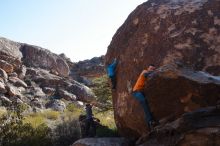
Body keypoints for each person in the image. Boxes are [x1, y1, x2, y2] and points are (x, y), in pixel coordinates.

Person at [132, 64, 159, 131]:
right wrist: (156, 71)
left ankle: (149, 124)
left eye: (153, 69)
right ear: (148, 68)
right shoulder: (144, 71)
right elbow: (146, 74)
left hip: (141, 92)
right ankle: (150, 121)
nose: (151, 69)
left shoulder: (148, 74)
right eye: (151, 68)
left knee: (146, 103)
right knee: (143, 101)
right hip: (136, 91)